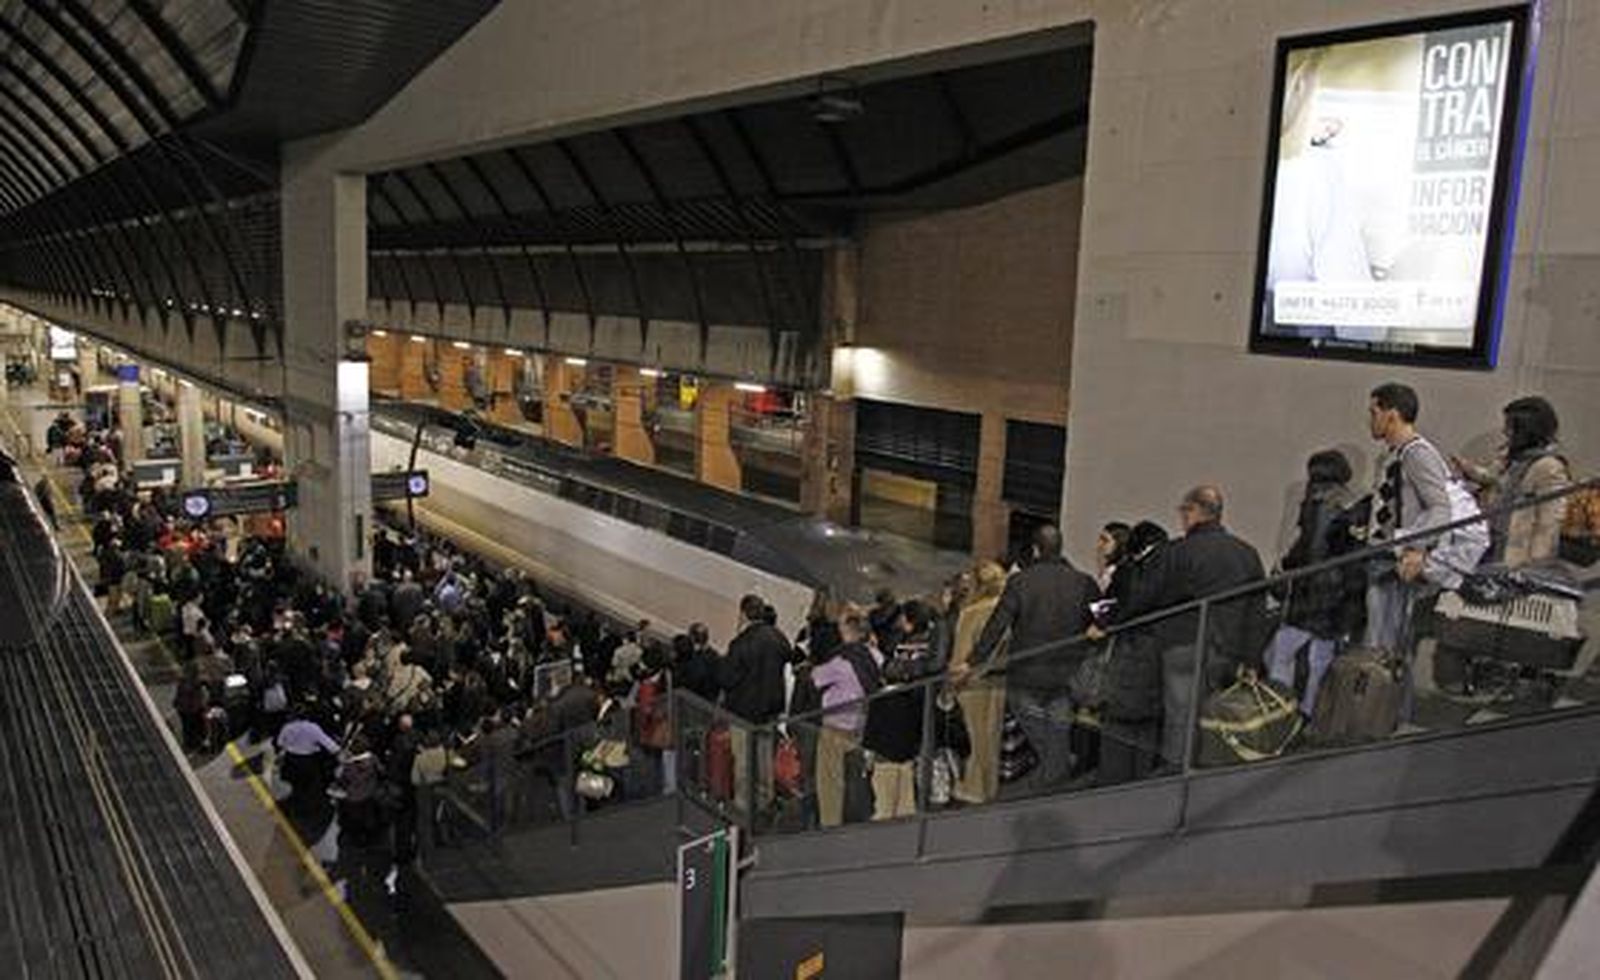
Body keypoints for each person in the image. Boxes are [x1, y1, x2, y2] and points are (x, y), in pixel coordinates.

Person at [1124, 487, 1267, 767]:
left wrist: (1113, 621)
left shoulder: (1178, 552)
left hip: (1183, 642)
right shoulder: (1247, 554)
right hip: (1228, 646)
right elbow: (1256, 611)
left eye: (1183, 511)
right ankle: (1207, 767)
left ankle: (1177, 775)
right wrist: (1252, 658)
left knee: (1179, 714)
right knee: (1212, 712)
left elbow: (1148, 595)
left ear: (1193, 512)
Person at [968, 524, 1097, 795]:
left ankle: (1051, 785)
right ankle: (1056, 784)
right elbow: (1099, 621)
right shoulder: (1084, 582)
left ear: (1035, 550)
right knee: (1058, 733)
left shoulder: (1020, 582)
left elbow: (997, 625)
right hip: (1067, 674)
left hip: (1027, 673)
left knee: (1042, 735)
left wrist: (972, 662)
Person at [1267, 450, 1362, 715]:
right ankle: (1311, 712)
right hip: (1338, 592)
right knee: (1320, 657)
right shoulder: (1351, 502)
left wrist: (1285, 566)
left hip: (1311, 590)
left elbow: (1308, 546)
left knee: (1281, 651)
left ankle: (1279, 709)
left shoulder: (1316, 501)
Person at [1364, 383, 1452, 651]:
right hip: (1385, 560)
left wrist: (1417, 548)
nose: (1370, 420)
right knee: (1380, 644)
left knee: (1385, 648)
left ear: (1391, 414)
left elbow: (1440, 507)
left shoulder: (1417, 454)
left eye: (1373, 412)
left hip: (1398, 564)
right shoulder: (1397, 454)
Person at [1455, 396, 1571, 568]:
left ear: (1528, 430)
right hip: (1488, 543)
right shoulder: (1511, 456)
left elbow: (1548, 525)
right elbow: (1492, 477)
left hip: (1514, 555)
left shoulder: (1549, 467)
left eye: (1510, 426)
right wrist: (1469, 469)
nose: (1505, 431)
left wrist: (1534, 567)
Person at [717, 595, 791, 810]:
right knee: (765, 758)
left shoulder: (740, 643)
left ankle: (744, 806)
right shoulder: (777, 636)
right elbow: (788, 655)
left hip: (743, 712)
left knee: (744, 760)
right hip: (770, 710)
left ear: (743, 614)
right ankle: (765, 801)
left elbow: (726, 678)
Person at [808, 611, 876, 827]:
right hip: (861, 725)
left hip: (835, 726)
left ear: (846, 631)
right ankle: (858, 816)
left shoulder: (841, 663)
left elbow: (816, 677)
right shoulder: (874, 656)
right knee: (855, 776)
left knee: (830, 780)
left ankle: (831, 823)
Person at [948, 562, 1007, 804]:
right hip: (1002, 682)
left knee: (977, 740)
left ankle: (975, 790)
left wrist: (951, 686)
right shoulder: (1006, 610)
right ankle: (989, 788)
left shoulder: (972, 611)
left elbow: (961, 655)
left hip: (974, 685)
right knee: (992, 739)